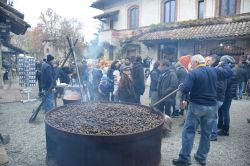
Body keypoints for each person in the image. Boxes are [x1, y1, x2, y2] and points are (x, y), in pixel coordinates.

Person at [172, 54, 233, 166]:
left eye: (192, 62)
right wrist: (224, 63)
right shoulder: (214, 71)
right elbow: (229, 73)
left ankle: (184, 159)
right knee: (206, 133)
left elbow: (186, 88)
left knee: (189, 132)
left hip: (196, 106)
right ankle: (201, 157)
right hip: (212, 107)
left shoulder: (193, 73)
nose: (191, 64)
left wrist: (182, 87)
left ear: (195, 62)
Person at [209, 54, 228, 141]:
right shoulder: (221, 70)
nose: (208, 61)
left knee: (213, 116)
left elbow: (219, 87)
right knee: (212, 115)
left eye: (210, 59)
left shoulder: (218, 71)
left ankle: (213, 134)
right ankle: (210, 132)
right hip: (220, 97)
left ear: (214, 60)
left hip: (217, 97)